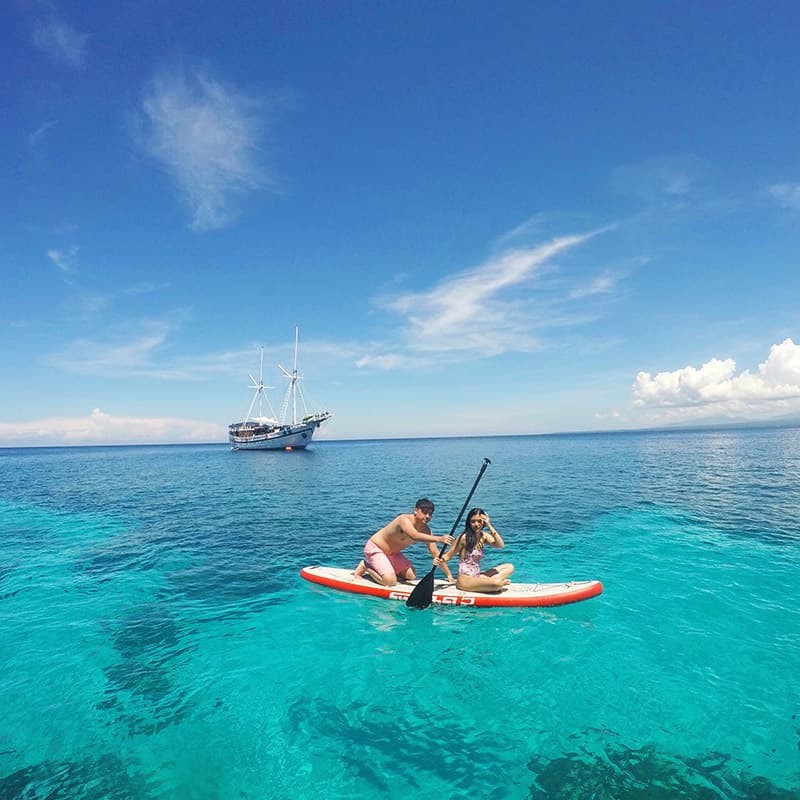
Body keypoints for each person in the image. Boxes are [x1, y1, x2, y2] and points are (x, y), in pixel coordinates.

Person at [353, 498, 454, 587]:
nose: (427, 516)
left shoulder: (426, 531)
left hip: (392, 554)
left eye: (430, 514)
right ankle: (366, 566)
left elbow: (435, 553)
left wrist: (449, 575)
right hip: (376, 548)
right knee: (390, 582)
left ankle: (386, 570)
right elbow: (414, 535)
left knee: (411, 576)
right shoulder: (403, 519)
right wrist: (439, 539)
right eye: (424, 512)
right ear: (415, 510)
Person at [436, 508, 513, 592]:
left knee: (509, 567)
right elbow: (448, 555)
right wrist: (440, 559)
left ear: (483, 522)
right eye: (473, 521)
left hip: (477, 576)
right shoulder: (464, 537)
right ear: (469, 522)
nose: (476, 524)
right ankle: (496, 583)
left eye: (479, 521)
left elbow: (500, 545)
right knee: (497, 583)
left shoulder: (484, 536)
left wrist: (489, 525)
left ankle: (490, 583)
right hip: (465, 579)